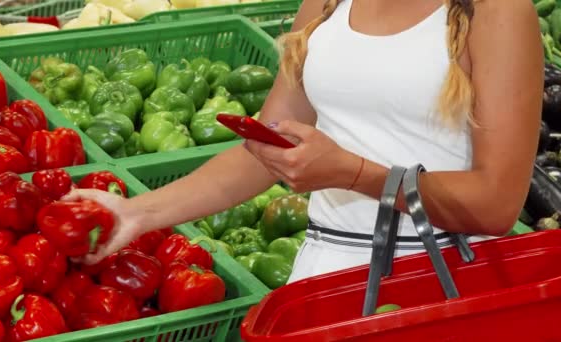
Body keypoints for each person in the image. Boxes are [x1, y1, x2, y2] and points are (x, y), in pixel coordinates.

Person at [65, 0, 543, 283]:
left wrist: (355, 174)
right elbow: (266, 152)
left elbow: (496, 204)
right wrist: (138, 212)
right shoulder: (329, 4)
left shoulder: (496, 10)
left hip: (439, 282)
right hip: (323, 273)